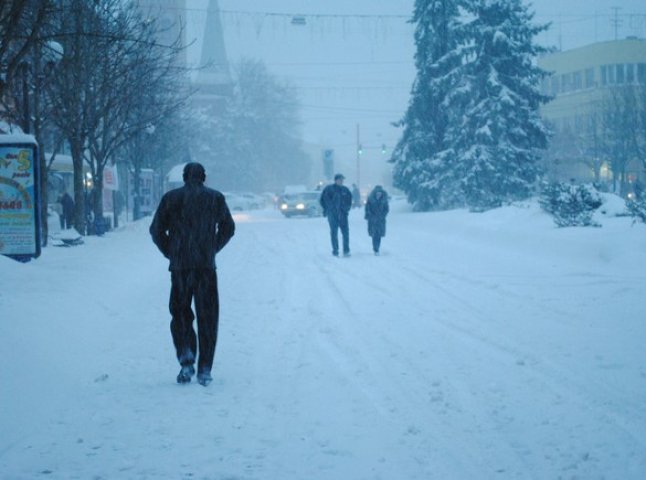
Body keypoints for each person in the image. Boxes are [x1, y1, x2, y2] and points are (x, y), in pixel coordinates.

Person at [149, 162, 235, 386]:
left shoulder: (172, 198)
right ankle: (205, 368)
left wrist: (172, 252)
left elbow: (156, 229)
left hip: (180, 268)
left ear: (184, 177)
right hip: (205, 268)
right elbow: (228, 228)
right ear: (203, 177)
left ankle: (186, 357)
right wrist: (211, 248)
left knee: (180, 314)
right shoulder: (215, 198)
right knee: (208, 317)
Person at [320, 173, 353, 257]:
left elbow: (349, 200)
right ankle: (335, 250)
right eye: (340, 180)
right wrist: (327, 210)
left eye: (342, 180)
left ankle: (346, 250)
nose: (341, 181)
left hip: (343, 215)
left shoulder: (345, 190)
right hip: (332, 215)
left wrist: (346, 209)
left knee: (345, 233)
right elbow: (322, 200)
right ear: (336, 180)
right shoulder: (329, 189)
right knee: (334, 233)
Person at [364, 185, 389, 255]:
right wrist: (370, 215)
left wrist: (382, 215)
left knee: (379, 234)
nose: (378, 195)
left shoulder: (384, 200)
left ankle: (377, 248)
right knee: (374, 234)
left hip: (381, 220)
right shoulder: (370, 199)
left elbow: (386, 209)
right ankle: (375, 248)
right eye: (377, 193)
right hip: (372, 220)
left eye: (380, 193)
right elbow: (367, 208)